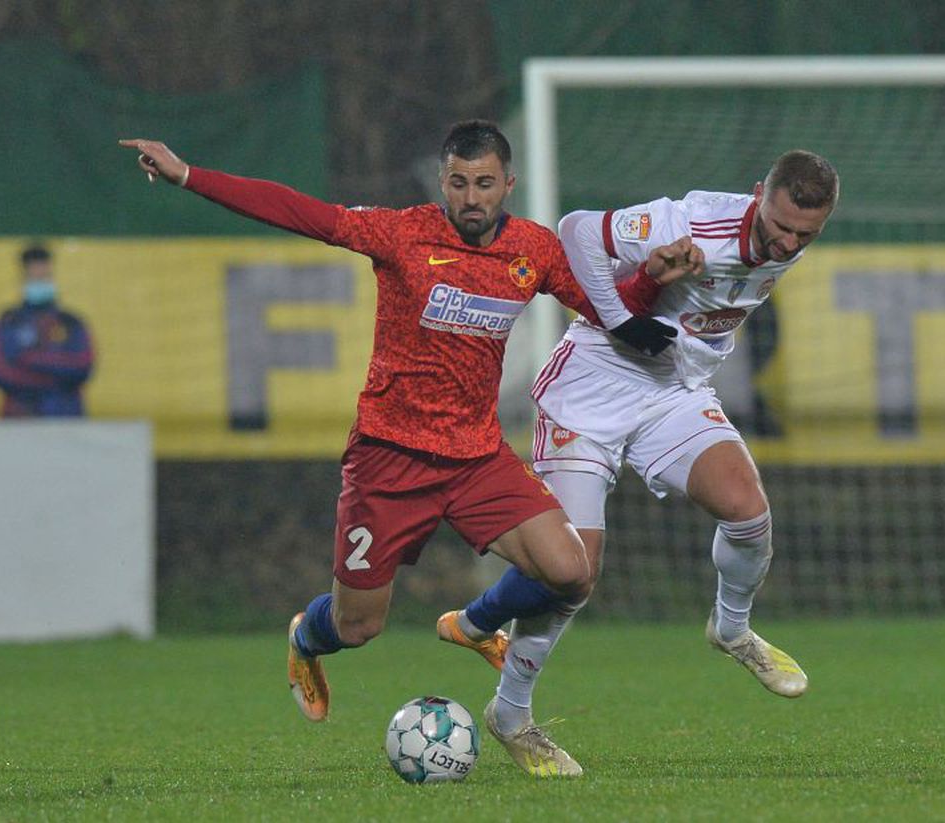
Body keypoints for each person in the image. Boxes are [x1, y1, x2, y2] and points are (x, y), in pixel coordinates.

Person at [119, 121, 697, 778]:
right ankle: (305, 636)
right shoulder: (402, 234)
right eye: (459, 183)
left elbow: (607, 311)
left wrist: (649, 279)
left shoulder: (533, 249)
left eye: (484, 183)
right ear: (443, 183)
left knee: (570, 570)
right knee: (358, 626)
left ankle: (477, 623)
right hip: (390, 460)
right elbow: (300, 212)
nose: (472, 197)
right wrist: (189, 175)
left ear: (508, 184)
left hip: (477, 456)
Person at [440, 150, 839, 754]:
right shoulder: (693, 223)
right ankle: (510, 715)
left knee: (748, 511)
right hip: (589, 392)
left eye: (804, 234)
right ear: (758, 193)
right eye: (778, 226)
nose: (786, 244)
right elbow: (575, 229)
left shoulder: (790, 239)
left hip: (671, 392)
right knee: (572, 573)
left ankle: (732, 631)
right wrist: (622, 317)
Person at [0, 244, 95, 417]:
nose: (40, 282)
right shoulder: (9, 322)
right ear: (23, 279)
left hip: (66, 418)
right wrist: (59, 377)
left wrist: (28, 358)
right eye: (35, 277)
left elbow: (83, 367)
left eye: (45, 276)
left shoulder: (71, 322)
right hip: (22, 417)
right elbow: (3, 374)